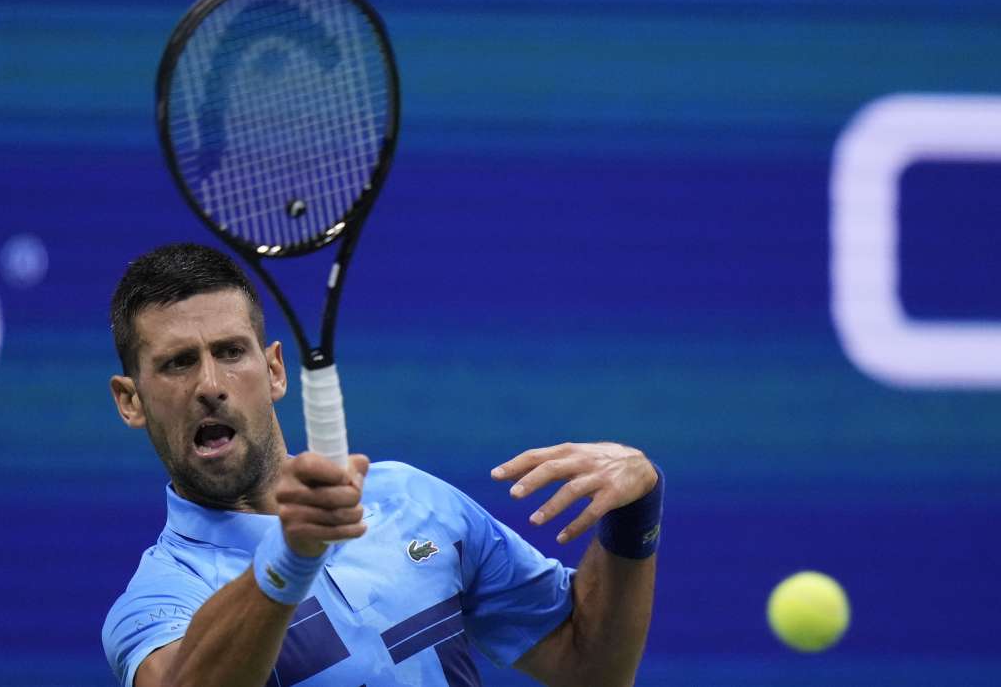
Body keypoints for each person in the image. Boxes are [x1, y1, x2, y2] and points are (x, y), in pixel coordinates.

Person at [101, 243, 663, 687]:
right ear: (131, 400)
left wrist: (635, 517)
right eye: (177, 364)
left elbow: (591, 666)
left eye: (229, 352)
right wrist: (289, 558)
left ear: (274, 370)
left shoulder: (411, 499)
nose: (210, 386)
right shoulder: (158, 599)